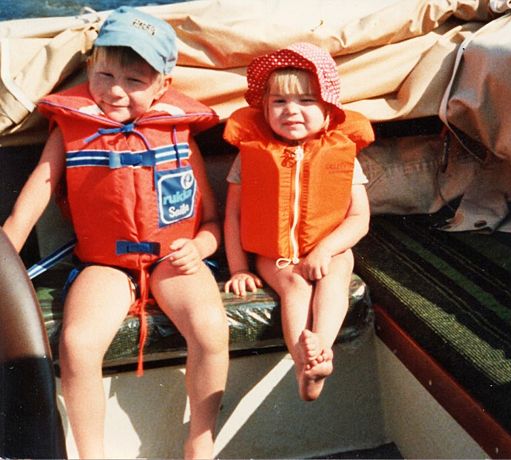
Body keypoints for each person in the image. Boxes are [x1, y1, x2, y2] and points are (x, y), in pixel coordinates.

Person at [2, 7, 228, 459]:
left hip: (173, 259)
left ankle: (200, 439)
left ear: (163, 86)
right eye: (104, 75)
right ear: (90, 68)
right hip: (104, 264)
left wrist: (200, 246)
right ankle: (92, 454)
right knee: (77, 343)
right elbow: (32, 202)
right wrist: (4, 255)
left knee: (210, 327)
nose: (116, 91)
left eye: (135, 80)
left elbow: (211, 223)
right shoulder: (70, 130)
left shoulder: (177, 134)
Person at [223, 42, 374, 401]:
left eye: (306, 101)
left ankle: (320, 348)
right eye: (280, 101)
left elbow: (360, 218)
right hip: (275, 254)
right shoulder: (250, 156)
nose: (291, 110)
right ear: (264, 109)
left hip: (330, 247)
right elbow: (233, 216)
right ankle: (305, 366)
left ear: (328, 110)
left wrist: (325, 249)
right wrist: (239, 269)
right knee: (294, 285)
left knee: (336, 274)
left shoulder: (343, 156)